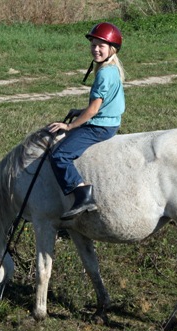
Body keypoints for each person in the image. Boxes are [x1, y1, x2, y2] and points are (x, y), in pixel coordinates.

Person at [48, 22, 125, 220]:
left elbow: (94, 109)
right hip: (108, 120)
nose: (96, 50)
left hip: (100, 127)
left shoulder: (104, 74)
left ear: (112, 49)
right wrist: (80, 111)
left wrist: (70, 125)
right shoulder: (111, 69)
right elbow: (103, 105)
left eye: (101, 46)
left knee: (59, 155)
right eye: (93, 45)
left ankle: (83, 196)